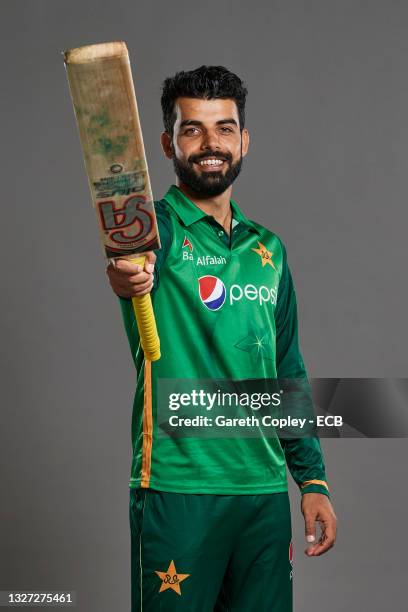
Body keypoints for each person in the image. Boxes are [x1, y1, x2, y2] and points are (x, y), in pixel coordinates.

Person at [106, 65, 337, 611]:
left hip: (261, 496)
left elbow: (288, 372)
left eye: (225, 128)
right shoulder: (152, 228)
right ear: (168, 142)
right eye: (193, 129)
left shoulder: (270, 250)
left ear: (244, 139)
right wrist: (125, 273)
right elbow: (129, 263)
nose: (212, 144)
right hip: (178, 491)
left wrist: (313, 481)